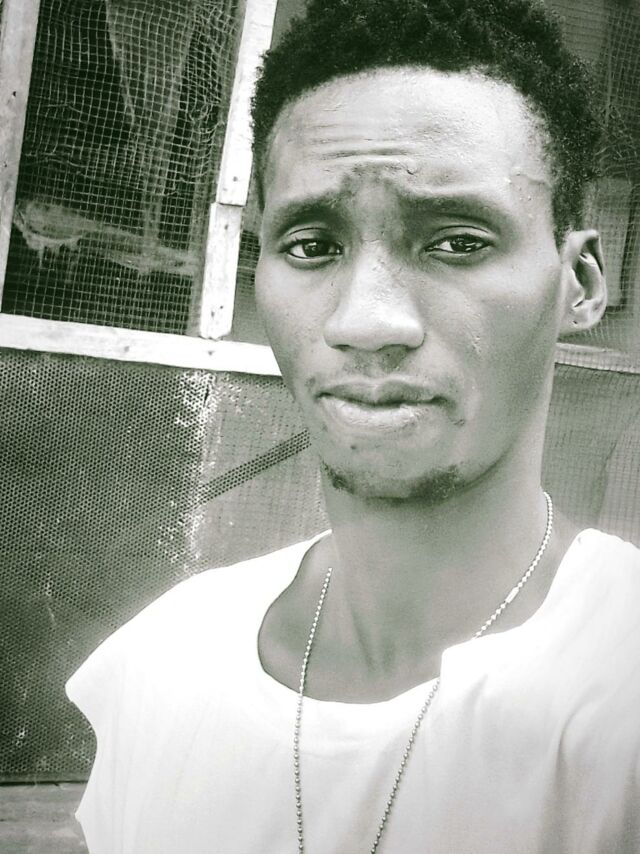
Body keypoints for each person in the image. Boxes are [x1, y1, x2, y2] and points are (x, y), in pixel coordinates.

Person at [67, 0, 640, 851]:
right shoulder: (160, 668)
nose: (366, 320)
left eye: (456, 241)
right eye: (311, 245)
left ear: (580, 283)